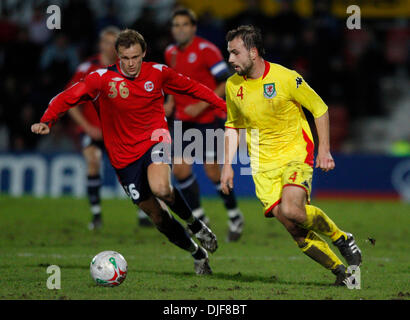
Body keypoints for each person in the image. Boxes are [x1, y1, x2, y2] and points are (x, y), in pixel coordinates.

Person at [31, 29, 225, 275]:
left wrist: (224, 105)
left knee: (161, 188)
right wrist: (47, 120)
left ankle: (196, 225)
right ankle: (198, 253)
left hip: (155, 139)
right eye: (125, 58)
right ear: (118, 56)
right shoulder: (100, 78)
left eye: (135, 57)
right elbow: (67, 97)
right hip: (123, 157)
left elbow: (194, 88)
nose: (131, 63)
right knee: (157, 217)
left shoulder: (158, 72)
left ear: (144, 53)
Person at [220, 25, 362, 285]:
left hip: (295, 154)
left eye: (235, 53)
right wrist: (227, 166)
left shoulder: (286, 78)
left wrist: (324, 149)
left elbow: (319, 108)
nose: (230, 59)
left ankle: (341, 237)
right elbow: (233, 125)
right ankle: (342, 273)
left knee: (293, 209)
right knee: (294, 228)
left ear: (253, 52)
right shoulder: (232, 85)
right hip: (262, 167)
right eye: (229, 53)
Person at [163, 8, 244, 242]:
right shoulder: (170, 52)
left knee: (212, 171)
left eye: (184, 25)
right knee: (179, 169)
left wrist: (200, 105)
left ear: (193, 27)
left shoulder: (206, 50)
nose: (180, 29)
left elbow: (225, 81)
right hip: (182, 119)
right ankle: (200, 218)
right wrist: (169, 101)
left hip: (208, 118)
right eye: (176, 25)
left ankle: (234, 215)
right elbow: (171, 82)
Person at [66, 26, 151, 230]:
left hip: (121, 132)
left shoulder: (129, 67)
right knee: (93, 161)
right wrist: (87, 127)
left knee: (137, 170)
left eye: (113, 43)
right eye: (105, 42)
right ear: (100, 44)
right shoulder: (87, 68)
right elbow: (70, 102)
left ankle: (143, 212)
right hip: (94, 131)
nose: (109, 46)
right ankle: (96, 215)